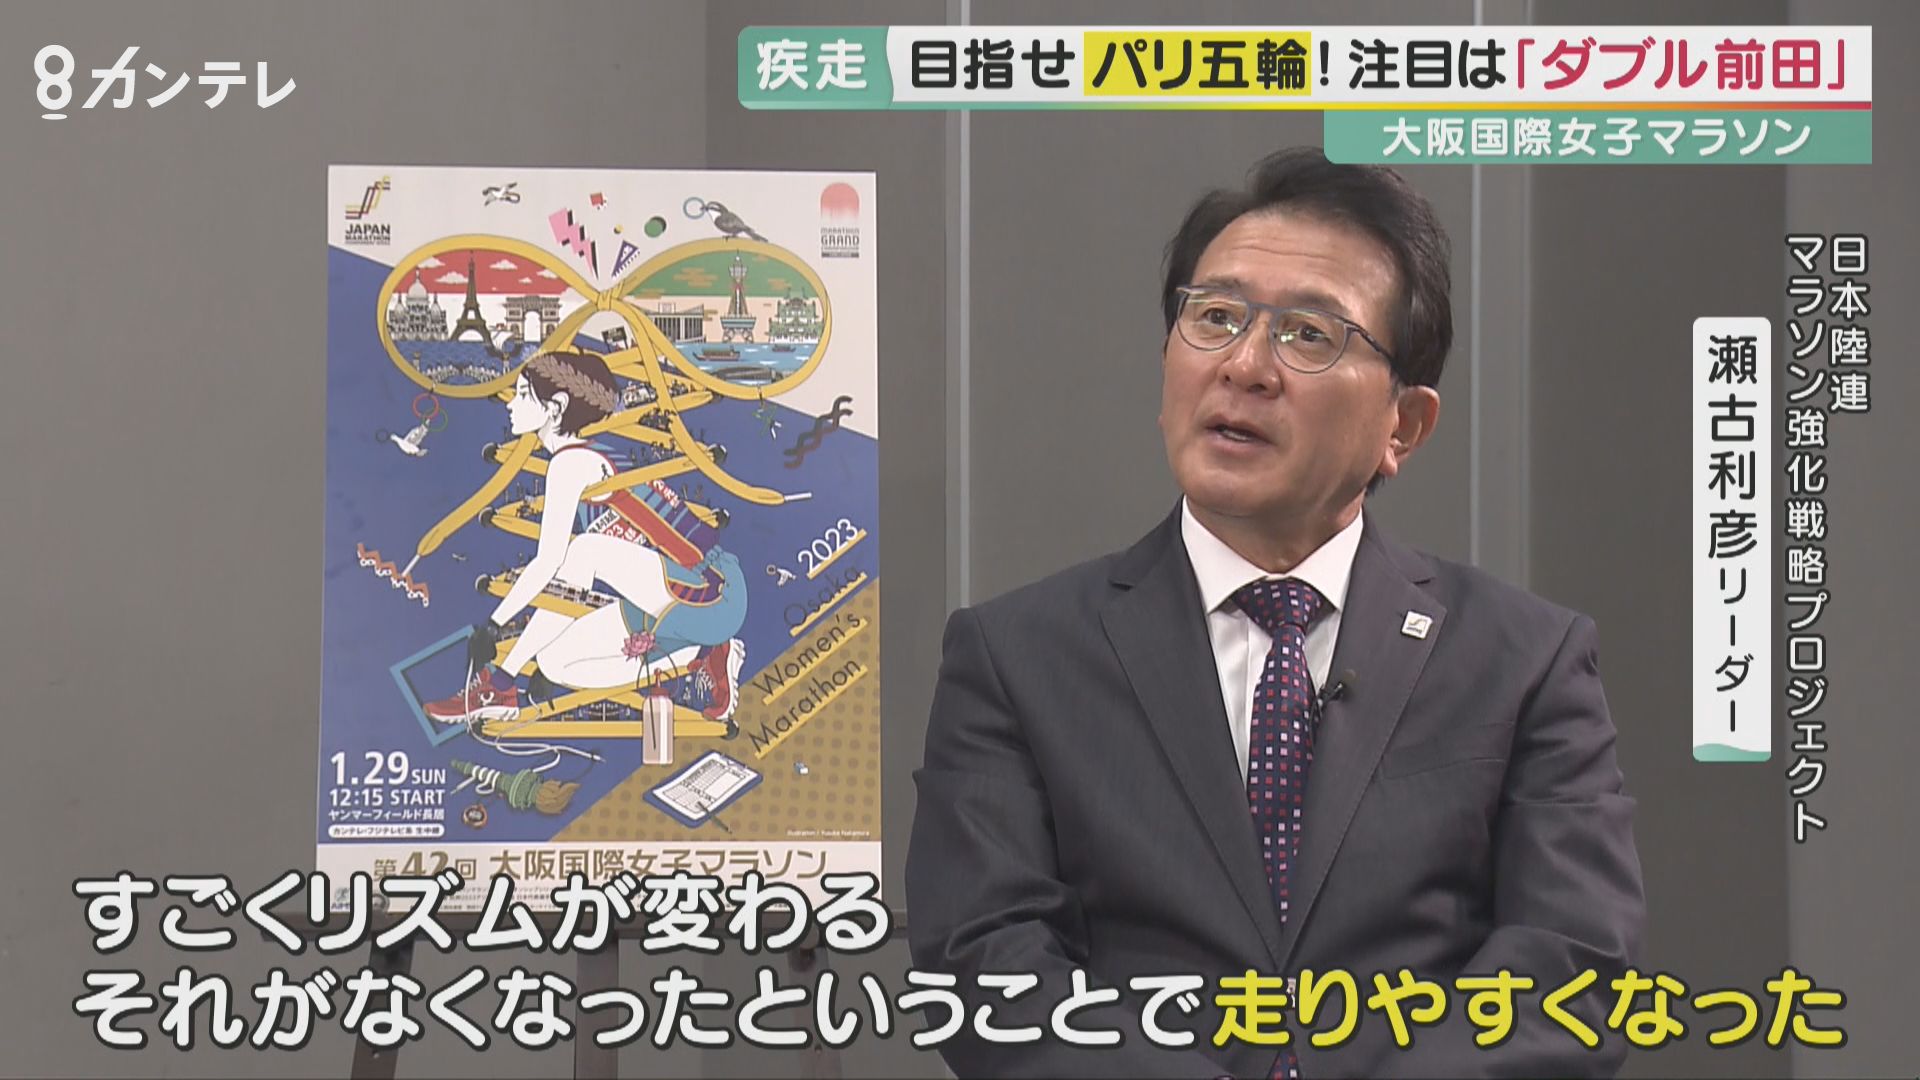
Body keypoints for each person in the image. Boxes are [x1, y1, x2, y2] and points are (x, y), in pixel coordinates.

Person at [905, 148, 1645, 1079]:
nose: (1245, 366)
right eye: (1215, 317)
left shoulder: (1525, 659)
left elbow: (1572, 969)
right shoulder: (1016, 656)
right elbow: (986, 962)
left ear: (1404, 426)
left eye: (1308, 334)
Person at [423, 349, 745, 725]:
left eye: (524, 394)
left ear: (556, 406)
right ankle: (703, 654)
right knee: (554, 662)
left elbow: (550, 561)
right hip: (669, 604)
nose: (511, 403)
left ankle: (501, 684)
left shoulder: (571, 463)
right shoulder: (587, 457)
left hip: (711, 591)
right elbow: (576, 587)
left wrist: (495, 624)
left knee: (582, 551)